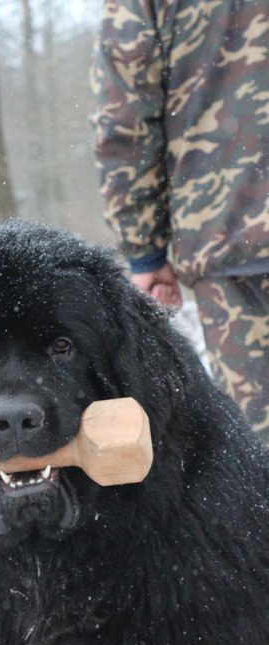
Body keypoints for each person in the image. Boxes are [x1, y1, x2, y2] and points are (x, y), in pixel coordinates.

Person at [92, 0, 269, 443]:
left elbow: (124, 119)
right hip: (228, 245)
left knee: (259, 443)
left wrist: (144, 251)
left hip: (228, 236)